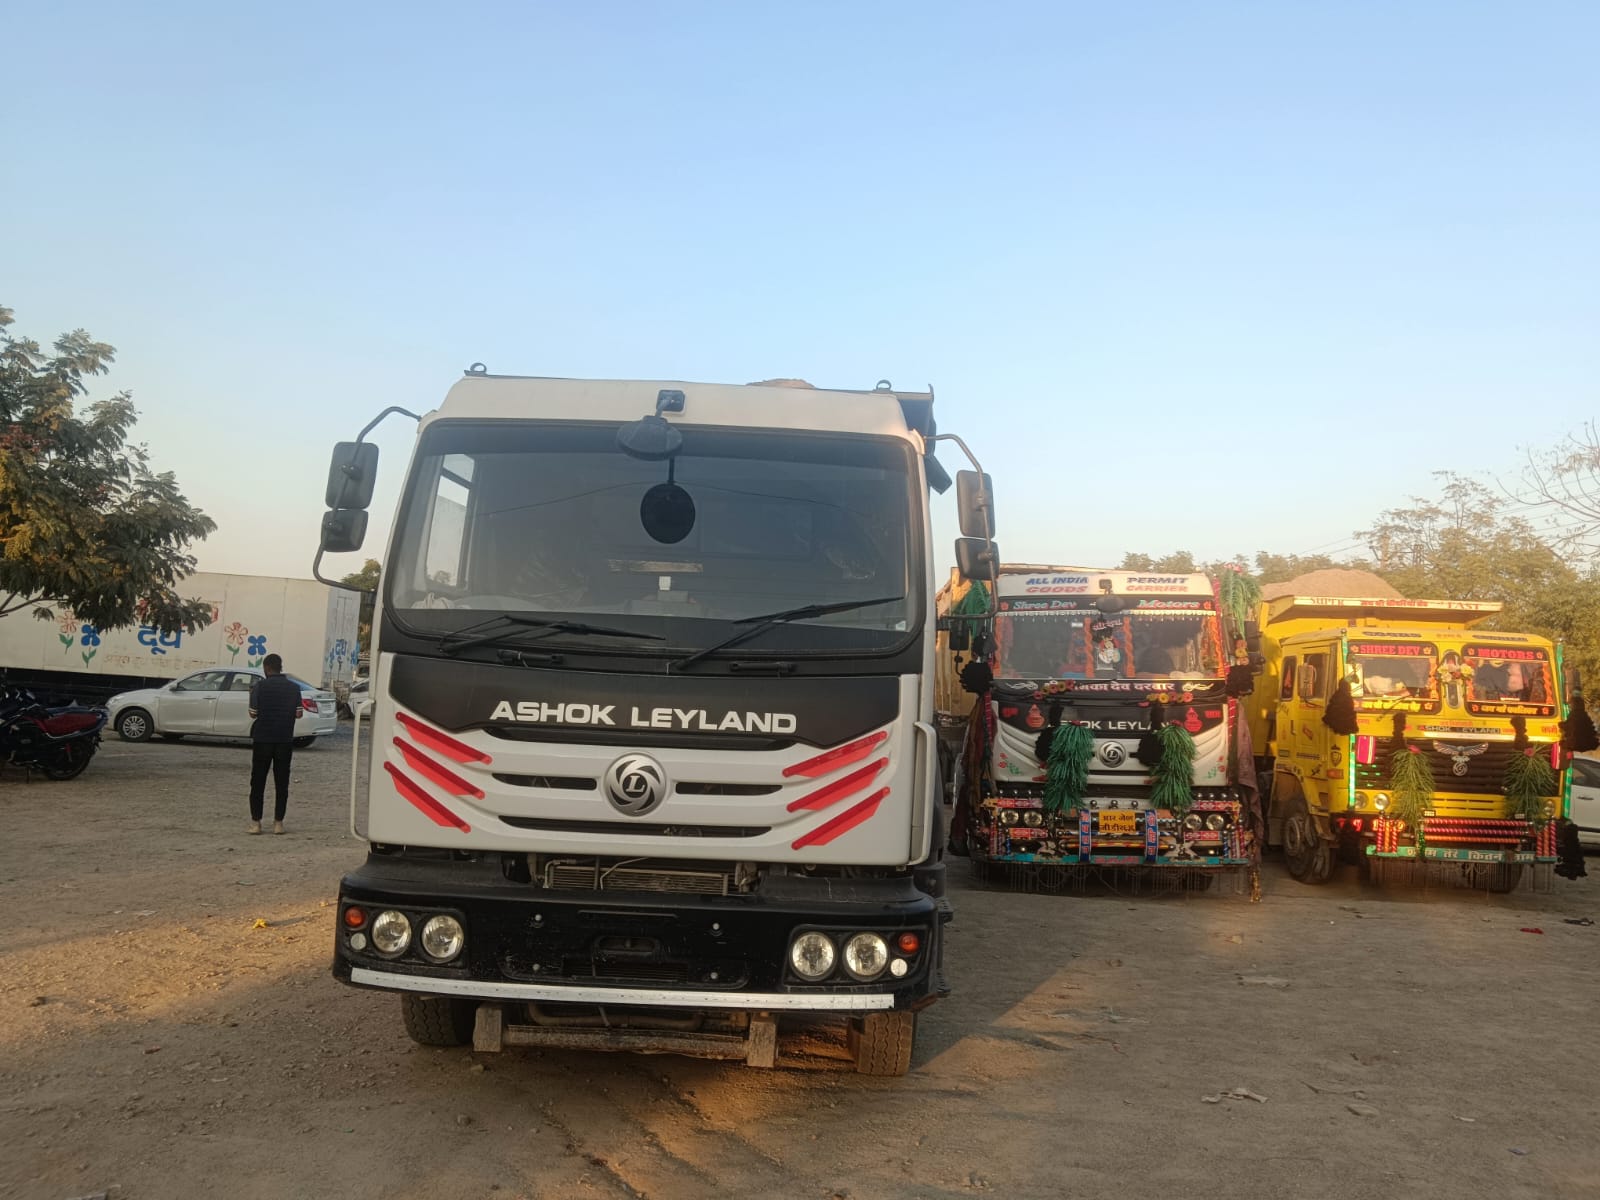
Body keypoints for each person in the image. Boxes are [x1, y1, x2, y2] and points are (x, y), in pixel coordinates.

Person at [246, 654, 304, 834]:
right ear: (280, 667)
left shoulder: (259, 687)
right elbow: (299, 714)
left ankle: (256, 823)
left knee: (258, 782)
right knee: (282, 783)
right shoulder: (294, 688)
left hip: (263, 739)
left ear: (266, 668)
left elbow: (253, 713)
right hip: (284, 739)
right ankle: (278, 823)